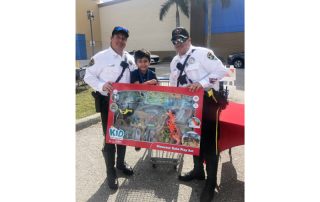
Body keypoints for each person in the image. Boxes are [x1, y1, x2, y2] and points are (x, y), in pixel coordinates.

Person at [169, 27, 228, 202]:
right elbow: (173, 85)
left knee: (209, 143)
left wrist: (201, 83)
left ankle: (211, 182)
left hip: (208, 104)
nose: (178, 43)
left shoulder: (203, 53)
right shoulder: (174, 61)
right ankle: (198, 171)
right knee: (191, 138)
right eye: (175, 41)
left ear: (189, 39)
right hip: (187, 107)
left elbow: (220, 71)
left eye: (181, 39)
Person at [84, 26, 137, 190]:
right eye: (118, 37)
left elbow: (135, 78)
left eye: (124, 38)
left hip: (126, 103)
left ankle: (121, 164)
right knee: (109, 137)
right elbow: (88, 76)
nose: (121, 41)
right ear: (111, 38)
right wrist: (101, 85)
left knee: (123, 133)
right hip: (108, 103)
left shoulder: (130, 58)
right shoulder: (100, 57)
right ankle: (110, 171)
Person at [130, 49, 159, 151]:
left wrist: (155, 84)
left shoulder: (152, 73)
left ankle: (148, 139)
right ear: (136, 63)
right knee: (139, 123)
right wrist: (149, 83)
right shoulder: (134, 73)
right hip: (137, 103)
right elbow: (137, 87)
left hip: (150, 103)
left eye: (145, 61)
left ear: (149, 62)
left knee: (149, 122)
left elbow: (158, 87)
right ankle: (138, 141)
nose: (143, 64)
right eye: (140, 61)